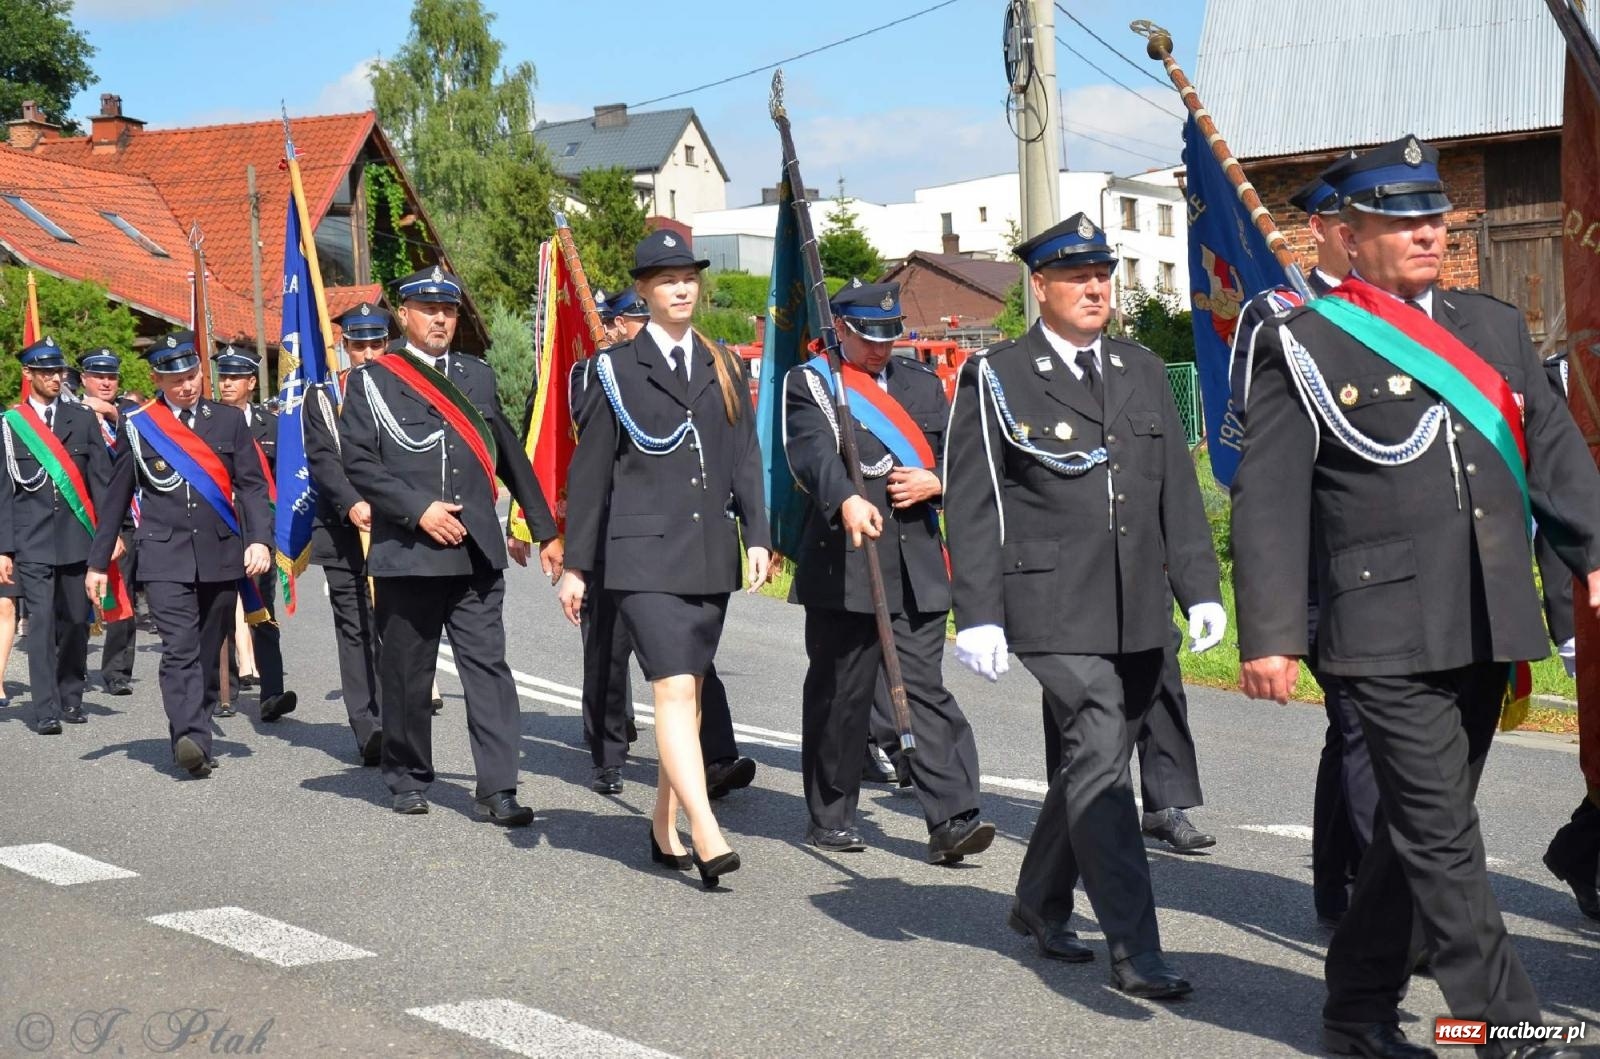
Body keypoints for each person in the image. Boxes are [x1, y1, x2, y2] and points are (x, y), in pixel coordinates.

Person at [1232, 134, 1600, 1059]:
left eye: (1436, 216)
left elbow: (1553, 451)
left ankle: (1355, 1010)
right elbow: (1270, 496)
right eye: (1403, 221)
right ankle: (1508, 1030)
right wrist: (1268, 632)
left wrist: (1593, 551)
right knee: (1444, 836)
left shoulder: (1493, 328)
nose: (1429, 232)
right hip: (1381, 629)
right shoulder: (1305, 341)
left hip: (1485, 617)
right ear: (1351, 236)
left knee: (1409, 834)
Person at [943, 213, 1224, 999]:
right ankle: (1136, 948)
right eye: (1077, 275)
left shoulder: (1138, 367)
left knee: (1089, 760)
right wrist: (981, 612)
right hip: (1049, 606)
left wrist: (1200, 588)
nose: (1097, 286)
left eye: (1104, 273)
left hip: (1135, 607)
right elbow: (974, 500)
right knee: (1104, 753)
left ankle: (1037, 900)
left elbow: (1177, 495)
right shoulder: (996, 375)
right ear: (1041, 287)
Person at [560, 230, 771, 889]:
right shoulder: (615, 371)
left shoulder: (723, 362)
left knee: (696, 690)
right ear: (645, 292)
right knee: (674, 687)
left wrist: (758, 534)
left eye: (689, 277)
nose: (682, 288)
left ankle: (662, 824)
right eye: (667, 279)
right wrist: (576, 564)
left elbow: (744, 458)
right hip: (640, 557)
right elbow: (591, 475)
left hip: (709, 553)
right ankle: (706, 832)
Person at [783, 278, 994, 863]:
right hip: (846, 561)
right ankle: (831, 814)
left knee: (923, 687)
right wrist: (845, 496)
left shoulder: (922, 384)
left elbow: (962, 455)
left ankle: (953, 815)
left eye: (888, 336)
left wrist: (940, 482)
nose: (880, 349)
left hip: (918, 563)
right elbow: (809, 452)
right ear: (842, 330)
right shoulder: (812, 383)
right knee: (842, 695)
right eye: (867, 337)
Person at [339, 267, 561, 822]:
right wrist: (419, 510)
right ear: (405, 315)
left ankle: (498, 787)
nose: (440, 319)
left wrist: (546, 528)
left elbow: (508, 453)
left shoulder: (476, 377)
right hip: (410, 554)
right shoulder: (371, 381)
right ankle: (408, 775)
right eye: (428, 309)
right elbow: (359, 462)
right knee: (408, 674)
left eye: (450, 310)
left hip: (477, 553)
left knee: (488, 668)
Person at [573, 287, 758, 800]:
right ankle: (609, 754)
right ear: (613, 325)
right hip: (619, 535)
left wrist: (756, 532)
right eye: (626, 318)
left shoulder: (708, 363)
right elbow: (579, 462)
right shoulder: (601, 372)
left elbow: (735, 451)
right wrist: (569, 551)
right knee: (608, 652)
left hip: (681, 536)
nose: (633, 326)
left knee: (689, 663)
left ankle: (715, 756)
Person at [86, 331, 274, 777]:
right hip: (164, 556)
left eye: (191, 376)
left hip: (221, 554)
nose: (186, 386)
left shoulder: (228, 422)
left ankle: (198, 721)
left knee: (208, 653)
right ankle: (189, 736)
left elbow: (251, 486)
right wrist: (97, 563)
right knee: (179, 649)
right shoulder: (140, 425)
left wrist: (260, 539)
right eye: (176, 380)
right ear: (156, 379)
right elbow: (116, 497)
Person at [0, 336, 113, 734]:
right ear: (27, 374)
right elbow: (3, 490)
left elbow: (101, 481)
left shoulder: (81, 419)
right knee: (42, 624)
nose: (54, 377)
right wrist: (3, 548)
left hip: (77, 538)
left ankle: (71, 696)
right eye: (45, 371)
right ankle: (45, 707)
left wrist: (109, 534)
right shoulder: (10, 424)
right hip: (31, 541)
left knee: (77, 622)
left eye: (58, 370)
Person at [304, 303, 389, 765]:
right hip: (342, 529)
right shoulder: (321, 397)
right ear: (345, 348)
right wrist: (351, 502)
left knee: (393, 628)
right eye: (360, 345)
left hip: (395, 530)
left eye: (376, 343)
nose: (369, 353)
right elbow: (322, 459)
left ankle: (398, 720)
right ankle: (368, 726)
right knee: (354, 627)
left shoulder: (402, 389)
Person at [214, 345, 295, 723]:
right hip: (216, 528)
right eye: (222, 376)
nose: (226, 382)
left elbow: (284, 481)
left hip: (259, 529)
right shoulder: (205, 421)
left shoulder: (272, 425)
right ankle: (218, 690)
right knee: (214, 611)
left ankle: (272, 692)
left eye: (234, 377)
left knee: (262, 610)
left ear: (251, 382)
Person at [78, 346, 140, 697]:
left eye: (111, 376)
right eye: (98, 376)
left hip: (127, 518)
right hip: (82, 517)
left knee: (122, 592)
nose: (105, 382)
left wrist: (111, 412)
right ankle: (69, 665)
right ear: (84, 378)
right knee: (74, 598)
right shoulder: (70, 414)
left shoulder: (129, 413)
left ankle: (117, 670)